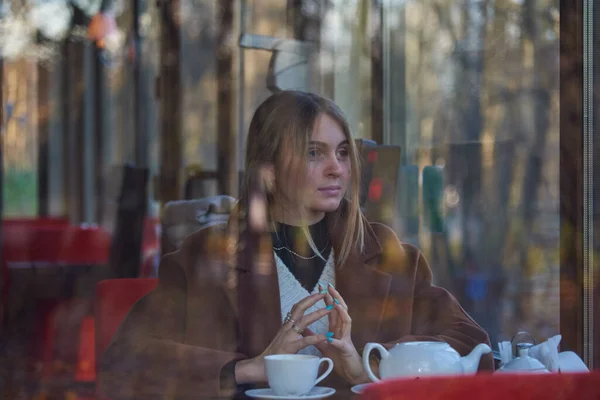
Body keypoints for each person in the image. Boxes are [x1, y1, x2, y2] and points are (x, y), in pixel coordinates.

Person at [100, 90, 493, 399]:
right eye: (313, 153)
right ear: (268, 173)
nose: (336, 167)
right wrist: (250, 369)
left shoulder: (389, 255)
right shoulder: (204, 259)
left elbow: (474, 347)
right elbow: (125, 362)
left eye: (342, 152)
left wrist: (370, 366)